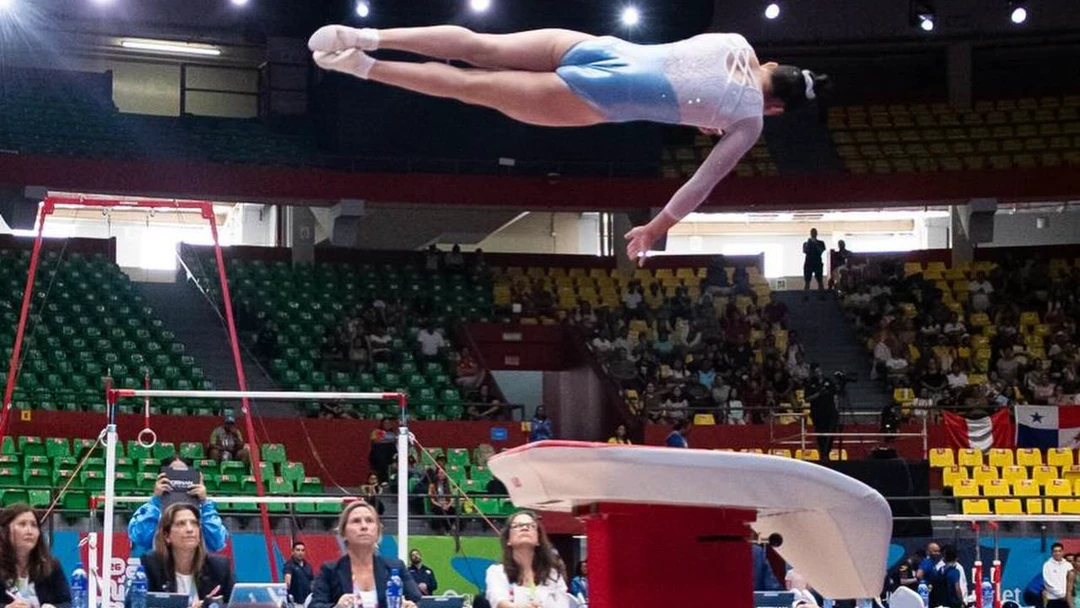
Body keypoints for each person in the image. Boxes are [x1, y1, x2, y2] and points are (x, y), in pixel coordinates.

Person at [307, 24, 827, 263]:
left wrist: (704, 111)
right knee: (469, 88)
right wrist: (657, 225)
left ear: (774, 67)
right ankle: (365, 67)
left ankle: (366, 36)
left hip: (596, 47)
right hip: (598, 98)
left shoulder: (737, 43)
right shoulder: (749, 121)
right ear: (777, 109)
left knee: (479, 46)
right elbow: (701, 182)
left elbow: (705, 76)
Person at [309, 501, 421, 608]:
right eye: (356, 521)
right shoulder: (329, 571)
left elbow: (416, 600)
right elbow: (315, 605)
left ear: (377, 531)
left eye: (369, 520)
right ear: (343, 533)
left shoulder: (396, 567)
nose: (364, 526)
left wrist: (410, 605)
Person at [138, 504, 235, 607]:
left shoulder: (219, 567)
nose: (190, 529)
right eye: (181, 524)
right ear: (167, 536)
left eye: (194, 523)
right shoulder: (152, 565)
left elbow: (238, 603)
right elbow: (134, 604)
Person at [128, 456, 229, 555]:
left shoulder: (206, 510)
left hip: (198, 568)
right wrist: (156, 500)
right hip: (161, 567)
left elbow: (217, 542)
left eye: (184, 473)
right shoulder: (150, 509)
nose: (179, 478)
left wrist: (204, 503)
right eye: (173, 473)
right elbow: (140, 539)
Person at [485, 511, 569, 608]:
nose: (524, 528)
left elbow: (563, 605)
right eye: (517, 526)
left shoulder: (553, 574)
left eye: (531, 526)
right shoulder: (497, 571)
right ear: (508, 540)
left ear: (538, 540)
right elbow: (498, 601)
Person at [0, 504, 71, 608]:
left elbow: (67, 603)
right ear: (5, 531)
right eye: (22, 524)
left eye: (34, 525)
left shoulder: (52, 566)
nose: (29, 531)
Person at [804, 364, 838, 460]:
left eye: (818, 370)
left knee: (830, 433)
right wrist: (818, 394)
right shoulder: (810, 383)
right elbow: (807, 398)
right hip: (817, 413)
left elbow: (835, 395)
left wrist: (836, 408)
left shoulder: (828, 381)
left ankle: (827, 453)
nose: (817, 372)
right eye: (815, 371)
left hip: (830, 411)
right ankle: (823, 454)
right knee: (820, 434)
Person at [284, 541, 315, 606]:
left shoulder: (308, 566)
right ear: (292, 552)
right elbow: (287, 582)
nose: (300, 552)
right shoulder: (289, 565)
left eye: (302, 550)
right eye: (298, 550)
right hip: (294, 603)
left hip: (307, 602)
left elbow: (312, 582)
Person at [802, 228, 826, 300]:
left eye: (814, 232)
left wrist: (815, 244)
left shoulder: (821, 242)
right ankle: (806, 296)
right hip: (808, 263)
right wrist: (809, 243)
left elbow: (821, 251)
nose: (813, 234)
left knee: (820, 280)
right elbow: (805, 251)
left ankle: (821, 295)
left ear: (816, 233)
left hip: (817, 263)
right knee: (807, 281)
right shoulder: (806, 243)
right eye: (812, 232)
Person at [1046, 542, 1072, 608]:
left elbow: (1071, 582)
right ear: (1052, 553)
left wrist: (1067, 596)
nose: (1057, 553)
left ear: (1063, 552)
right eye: (1055, 551)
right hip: (1053, 600)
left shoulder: (1068, 565)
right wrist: (1062, 595)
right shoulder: (1047, 565)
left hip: (1066, 600)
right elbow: (1048, 584)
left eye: (1059, 551)